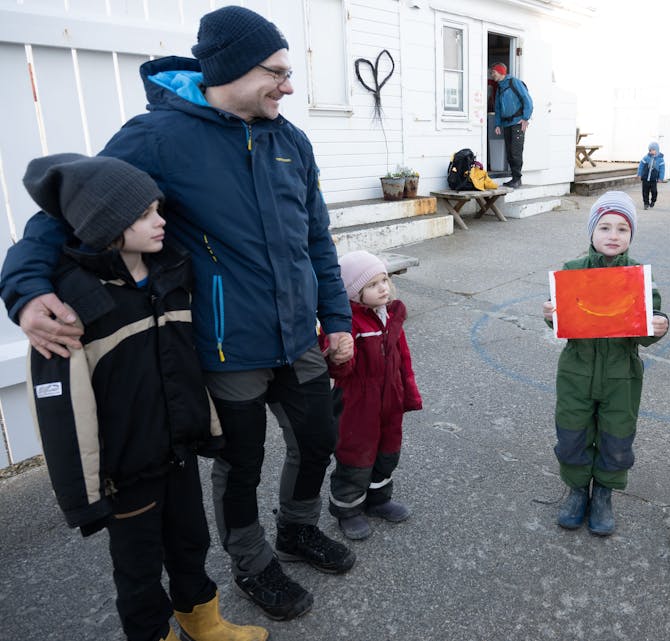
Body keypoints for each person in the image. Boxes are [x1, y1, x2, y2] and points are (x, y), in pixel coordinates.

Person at [0, 6, 356, 621]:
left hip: (298, 331)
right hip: (226, 342)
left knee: (318, 436)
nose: (289, 87)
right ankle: (252, 561)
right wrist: (26, 290)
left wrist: (338, 316)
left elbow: (316, 238)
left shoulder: (288, 139)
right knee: (240, 460)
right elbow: (66, 210)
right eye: (277, 72)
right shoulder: (157, 138)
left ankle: (298, 527)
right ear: (232, 70)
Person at [21, 153, 268, 641]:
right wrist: (82, 496)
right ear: (106, 223)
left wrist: (206, 425)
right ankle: (154, 634)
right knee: (137, 567)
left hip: (175, 450)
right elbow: (61, 409)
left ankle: (203, 619)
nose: (160, 221)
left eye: (158, 208)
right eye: (144, 214)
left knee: (190, 540)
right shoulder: (70, 304)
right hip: (125, 470)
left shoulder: (170, 274)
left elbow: (186, 360)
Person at [542, 191, 669, 536]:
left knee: (616, 438)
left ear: (631, 236)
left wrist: (658, 325)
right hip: (576, 373)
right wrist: (551, 316)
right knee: (571, 434)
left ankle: (604, 496)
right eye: (605, 227)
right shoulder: (572, 272)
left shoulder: (641, 278)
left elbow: (647, 329)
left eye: (622, 229)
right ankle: (577, 491)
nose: (613, 236)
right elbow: (562, 323)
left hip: (621, 377)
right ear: (592, 233)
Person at [320, 251, 423, 541]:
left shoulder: (391, 317)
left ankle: (378, 498)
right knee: (356, 455)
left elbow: (403, 358)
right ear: (354, 293)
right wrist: (339, 357)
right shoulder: (348, 324)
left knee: (388, 451)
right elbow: (341, 371)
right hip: (358, 403)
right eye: (373, 285)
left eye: (385, 280)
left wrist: (408, 394)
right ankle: (347, 509)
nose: (383, 288)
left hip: (390, 399)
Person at [491, 62, 533, 188]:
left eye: (493, 72)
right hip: (506, 124)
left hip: (517, 123)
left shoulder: (514, 82)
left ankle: (517, 179)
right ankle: (514, 178)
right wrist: (497, 124)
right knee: (509, 152)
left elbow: (528, 101)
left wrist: (525, 118)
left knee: (516, 151)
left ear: (500, 72)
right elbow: (497, 107)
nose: (492, 74)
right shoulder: (499, 87)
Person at [637, 142, 666, 210]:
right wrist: (639, 174)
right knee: (645, 192)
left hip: (653, 179)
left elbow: (662, 169)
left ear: (657, 150)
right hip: (645, 178)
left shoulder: (660, 160)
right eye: (650, 150)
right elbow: (641, 166)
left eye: (653, 150)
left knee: (654, 191)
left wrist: (661, 178)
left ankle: (653, 201)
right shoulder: (646, 158)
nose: (651, 151)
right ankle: (646, 203)